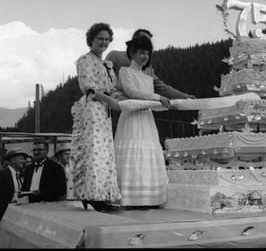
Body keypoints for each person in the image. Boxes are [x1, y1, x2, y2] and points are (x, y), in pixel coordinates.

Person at [66, 22, 122, 211]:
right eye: (100, 39)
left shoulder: (106, 64)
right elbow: (89, 89)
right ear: (91, 39)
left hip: (104, 111)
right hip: (92, 109)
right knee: (92, 151)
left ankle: (100, 195)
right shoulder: (85, 60)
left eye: (107, 39)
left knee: (104, 153)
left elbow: (113, 88)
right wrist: (109, 100)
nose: (104, 42)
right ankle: (90, 194)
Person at [114, 36, 172, 209]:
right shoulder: (125, 71)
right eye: (141, 53)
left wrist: (164, 104)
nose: (145, 56)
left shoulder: (148, 77)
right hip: (131, 117)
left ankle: (149, 198)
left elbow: (152, 103)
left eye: (147, 53)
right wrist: (158, 97)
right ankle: (130, 199)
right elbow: (132, 92)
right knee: (133, 152)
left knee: (148, 153)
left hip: (146, 118)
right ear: (132, 54)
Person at [106, 29, 196, 134]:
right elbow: (102, 82)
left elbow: (161, 87)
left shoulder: (148, 68)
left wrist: (184, 96)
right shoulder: (115, 56)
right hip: (115, 115)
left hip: (143, 118)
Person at [0, 149, 28, 248]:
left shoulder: (17, 175)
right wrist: (6, 215)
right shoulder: (2, 175)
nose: (24, 161)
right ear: (13, 160)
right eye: (21, 158)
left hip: (10, 220)